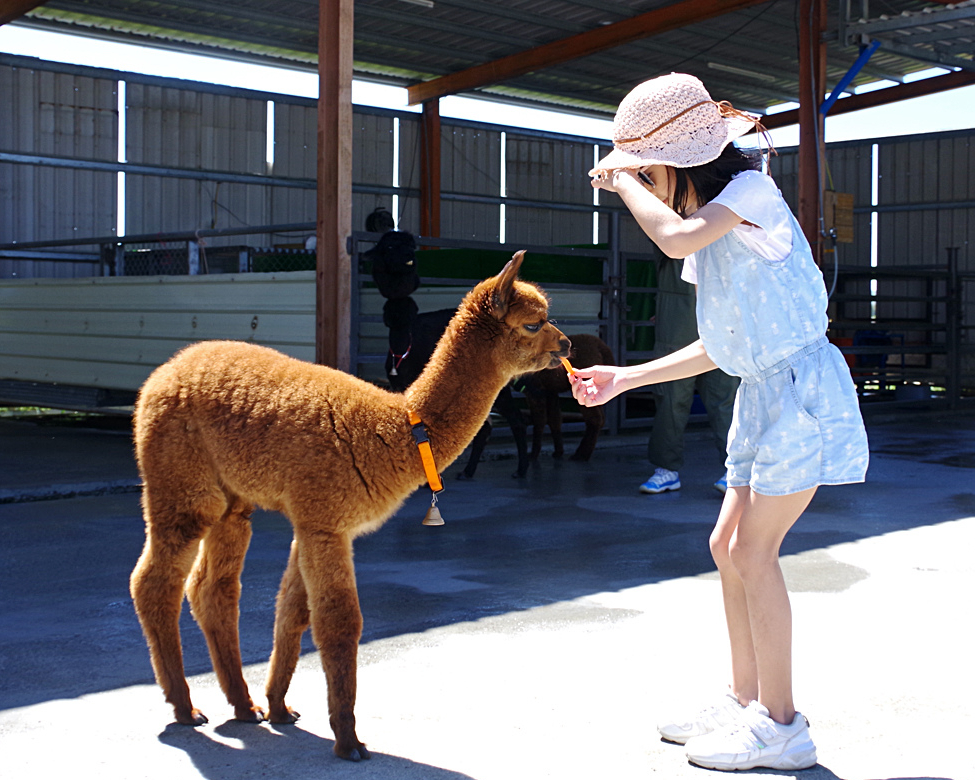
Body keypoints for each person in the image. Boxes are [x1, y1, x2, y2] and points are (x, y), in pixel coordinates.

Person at [571, 73, 869, 772]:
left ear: (675, 163)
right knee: (725, 544)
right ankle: (745, 701)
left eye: (651, 169)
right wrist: (628, 378)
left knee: (753, 553)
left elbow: (672, 237)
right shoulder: (717, 228)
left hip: (799, 392)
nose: (646, 182)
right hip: (762, 391)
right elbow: (723, 342)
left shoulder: (749, 194)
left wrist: (622, 181)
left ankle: (783, 725)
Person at [641, 254, 739, 495]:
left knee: (726, 399)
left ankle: (736, 470)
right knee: (670, 401)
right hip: (676, 328)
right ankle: (666, 469)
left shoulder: (723, 236)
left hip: (720, 328)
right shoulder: (672, 238)